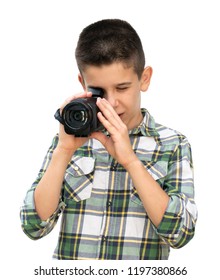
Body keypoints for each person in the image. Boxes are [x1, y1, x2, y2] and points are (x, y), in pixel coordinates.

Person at [20, 19, 197, 260]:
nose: (111, 103)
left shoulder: (172, 144)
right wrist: (63, 151)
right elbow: (33, 227)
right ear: (83, 84)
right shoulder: (70, 140)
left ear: (144, 79)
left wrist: (131, 162)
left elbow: (181, 234)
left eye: (122, 88)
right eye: (99, 92)